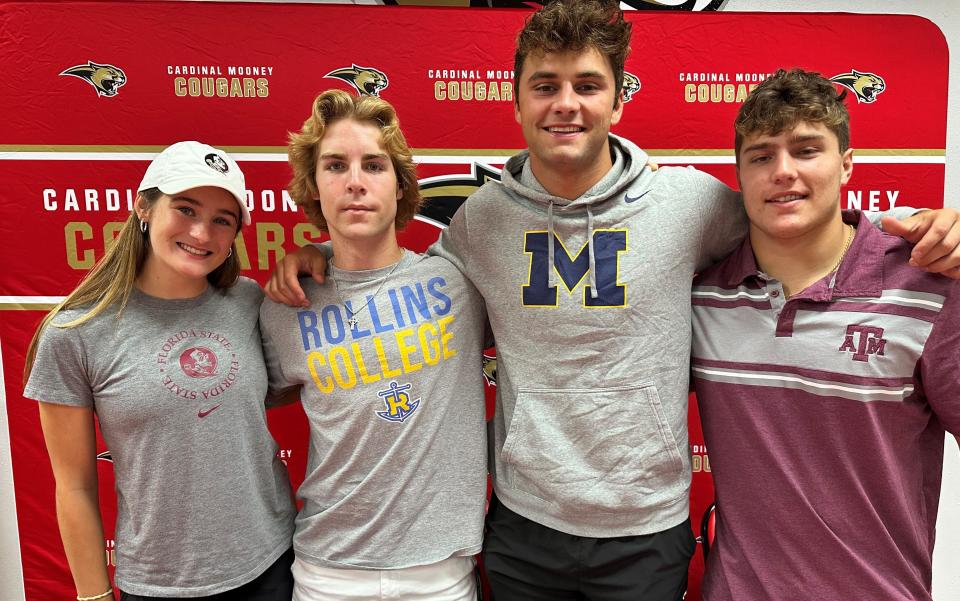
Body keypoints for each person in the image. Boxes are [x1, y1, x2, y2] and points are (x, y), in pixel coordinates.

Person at [265, 2, 960, 599]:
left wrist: (931, 228)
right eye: (545, 84)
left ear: (619, 99)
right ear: (516, 102)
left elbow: (796, 224)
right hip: (521, 523)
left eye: (586, 84)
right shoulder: (480, 220)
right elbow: (400, 276)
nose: (565, 103)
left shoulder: (692, 204)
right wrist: (322, 255)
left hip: (644, 532)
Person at [690, 68, 960, 601]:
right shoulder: (703, 301)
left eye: (806, 150)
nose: (783, 172)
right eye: (761, 156)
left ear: (847, 165)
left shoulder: (930, 288)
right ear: (739, 176)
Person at [23, 141, 297, 601]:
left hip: (272, 563)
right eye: (185, 209)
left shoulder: (250, 303)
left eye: (221, 220)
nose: (202, 232)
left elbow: (305, 382)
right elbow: (73, 486)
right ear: (143, 207)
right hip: (157, 583)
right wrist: (93, 596)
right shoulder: (74, 333)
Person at [258, 89, 488, 601]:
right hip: (327, 572)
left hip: (439, 573)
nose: (356, 183)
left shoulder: (461, 283)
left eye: (375, 166)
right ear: (313, 187)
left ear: (401, 185)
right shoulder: (287, 302)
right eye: (335, 166)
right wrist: (309, 254)